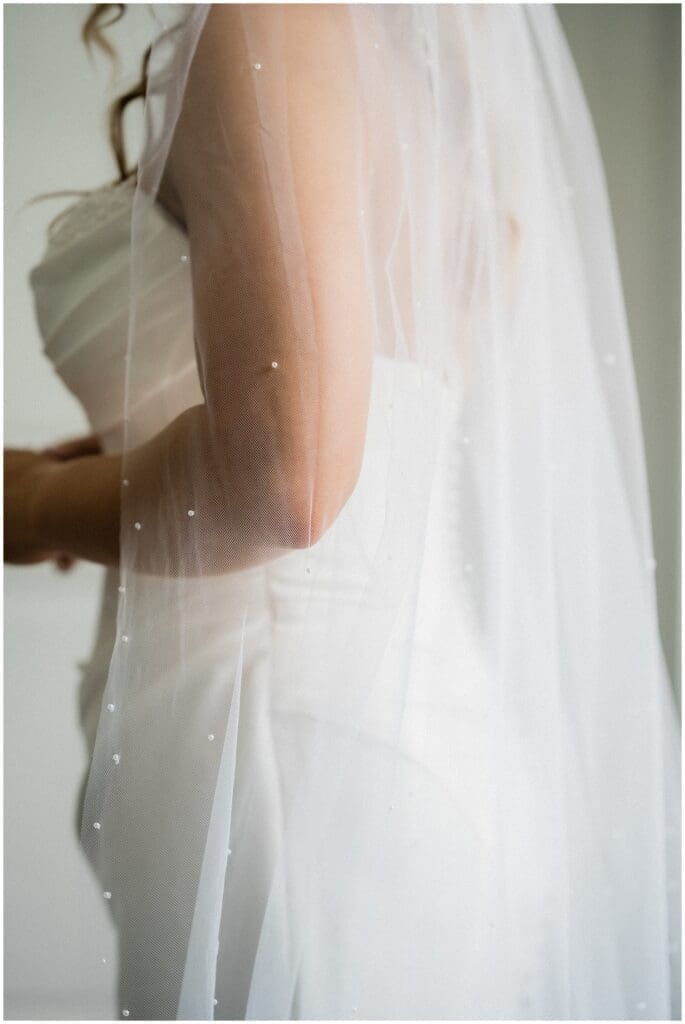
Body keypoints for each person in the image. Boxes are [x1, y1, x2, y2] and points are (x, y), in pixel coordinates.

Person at [5, 4, 681, 1019]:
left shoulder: (269, 21)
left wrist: (40, 504)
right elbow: (374, 385)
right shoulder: (432, 58)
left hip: (290, 769)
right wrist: (126, 458)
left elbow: (289, 480)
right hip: (411, 745)